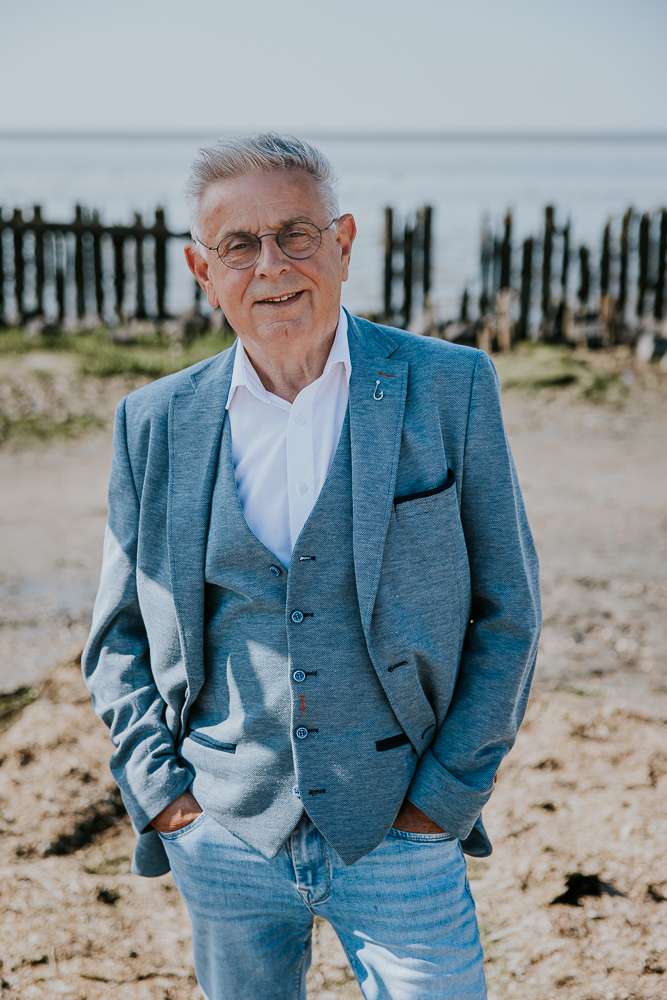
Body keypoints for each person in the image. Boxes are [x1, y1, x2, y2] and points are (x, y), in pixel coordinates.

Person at [82, 133, 541, 1000]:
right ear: (200, 268)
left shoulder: (449, 386)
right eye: (238, 246)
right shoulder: (154, 423)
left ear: (343, 242)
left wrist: (443, 800)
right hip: (221, 831)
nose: (272, 266)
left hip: (402, 828)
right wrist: (167, 799)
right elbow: (117, 636)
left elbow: (508, 609)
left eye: (296, 234)